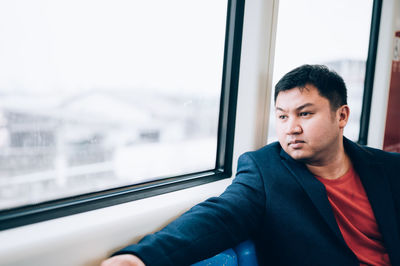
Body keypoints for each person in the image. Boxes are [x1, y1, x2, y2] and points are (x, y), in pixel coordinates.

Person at [101, 65, 400, 266]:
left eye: (305, 114)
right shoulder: (265, 170)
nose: (290, 128)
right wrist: (140, 258)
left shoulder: (388, 168)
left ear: (342, 116)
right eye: (282, 116)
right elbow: (218, 216)